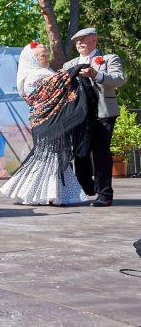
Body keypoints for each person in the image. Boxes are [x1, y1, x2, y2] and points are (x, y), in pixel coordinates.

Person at [0, 41, 91, 206]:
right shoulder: (33, 76)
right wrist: (73, 70)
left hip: (51, 123)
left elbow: (57, 85)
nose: (47, 59)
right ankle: (39, 194)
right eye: (43, 56)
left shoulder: (45, 72)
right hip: (46, 124)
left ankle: (53, 194)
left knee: (54, 157)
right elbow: (52, 87)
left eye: (47, 55)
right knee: (47, 157)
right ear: (33, 59)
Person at [61, 28, 125, 207]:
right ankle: (86, 188)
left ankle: (104, 194)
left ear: (94, 40)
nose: (79, 43)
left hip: (103, 113)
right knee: (80, 153)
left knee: (101, 152)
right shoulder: (69, 64)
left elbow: (119, 79)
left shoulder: (108, 59)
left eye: (83, 39)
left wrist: (96, 74)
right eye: (76, 41)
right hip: (79, 115)